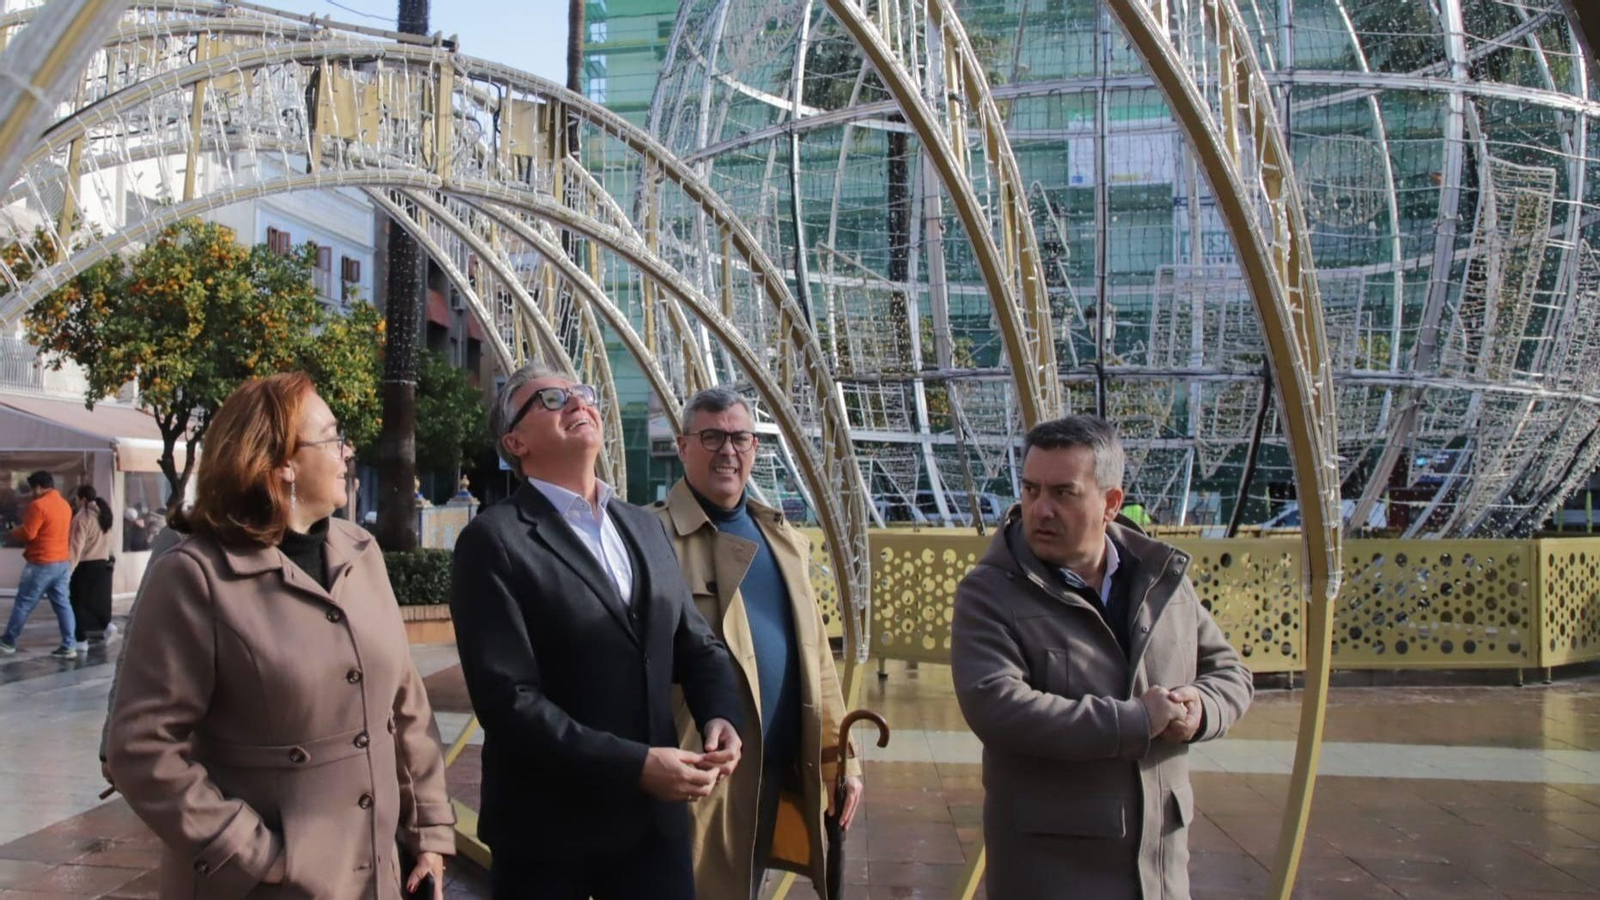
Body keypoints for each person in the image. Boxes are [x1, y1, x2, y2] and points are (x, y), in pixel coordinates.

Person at [106, 372, 455, 899]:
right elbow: (139, 748)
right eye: (334, 438)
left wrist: (429, 832)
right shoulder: (197, 575)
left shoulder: (361, 549)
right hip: (266, 885)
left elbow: (405, 704)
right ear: (281, 463)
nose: (347, 452)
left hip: (379, 873)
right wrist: (255, 855)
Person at [451, 363, 744, 900]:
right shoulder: (493, 542)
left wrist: (719, 713)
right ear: (515, 441)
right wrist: (635, 766)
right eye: (552, 398)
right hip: (550, 839)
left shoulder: (643, 526)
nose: (577, 402)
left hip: (654, 836)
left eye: (583, 392)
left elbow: (694, 645)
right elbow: (508, 702)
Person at [951, 415, 1253, 900]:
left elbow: (1231, 672)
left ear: (1111, 502)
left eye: (1063, 493)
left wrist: (1201, 709)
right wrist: (1134, 722)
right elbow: (996, 705)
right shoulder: (990, 593)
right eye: (1031, 490)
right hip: (1053, 872)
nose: (1040, 509)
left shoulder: (1161, 579)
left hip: (1160, 872)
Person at [651, 387, 862, 899]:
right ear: (683, 447)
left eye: (740, 437)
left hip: (782, 769)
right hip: (701, 781)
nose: (728, 450)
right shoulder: (649, 536)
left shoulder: (781, 537)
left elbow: (819, 664)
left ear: (755, 448)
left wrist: (842, 759)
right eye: (712, 437)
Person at [0, 471, 77, 658]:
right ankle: (69, 645)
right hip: (61, 561)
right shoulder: (65, 505)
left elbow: (29, 533)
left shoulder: (38, 505)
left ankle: (8, 641)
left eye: (33, 489)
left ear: (38, 487)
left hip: (41, 562)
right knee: (63, 604)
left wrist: (12, 532)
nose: (31, 494)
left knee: (24, 603)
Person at [68, 485, 116, 649]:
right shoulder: (104, 514)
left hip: (85, 565)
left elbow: (76, 547)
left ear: (82, 499)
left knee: (77, 602)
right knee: (95, 601)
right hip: (102, 563)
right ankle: (107, 626)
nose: (76, 502)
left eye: (77, 499)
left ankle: (80, 640)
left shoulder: (82, 518)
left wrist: (69, 570)